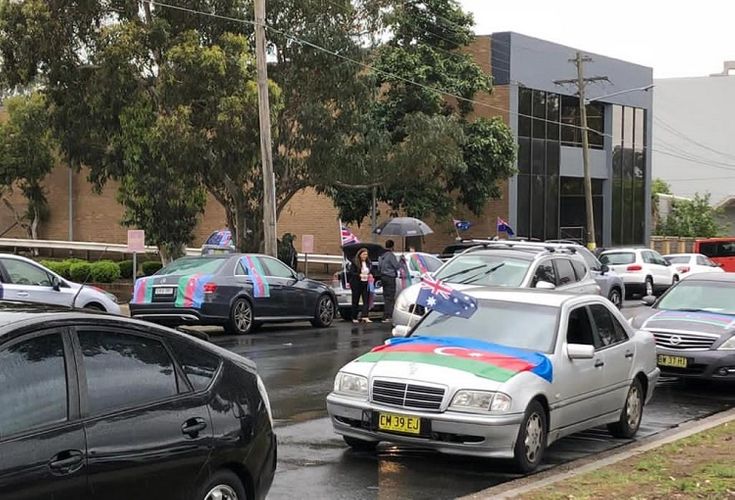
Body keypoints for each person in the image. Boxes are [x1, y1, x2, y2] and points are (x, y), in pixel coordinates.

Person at [378, 240, 401, 322]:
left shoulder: (382, 256)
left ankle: (385, 315)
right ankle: (389, 316)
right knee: (390, 298)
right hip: (390, 277)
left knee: (386, 297)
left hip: (383, 277)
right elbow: (397, 266)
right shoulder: (391, 256)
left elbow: (379, 267)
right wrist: (401, 260)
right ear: (392, 246)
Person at [347, 248, 372, 323]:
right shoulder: (355, 262)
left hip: (365, 282)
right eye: (364, 254)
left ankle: (365, 316)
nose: (365, 256)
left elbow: (370, 270)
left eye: (366, 254)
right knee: (355, 299)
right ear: (360, 254)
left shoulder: (368, 262)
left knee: (366, 299)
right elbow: (352, 272)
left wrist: (370, 274)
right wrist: (359, 275)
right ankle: (354, 317)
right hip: (356, 283)